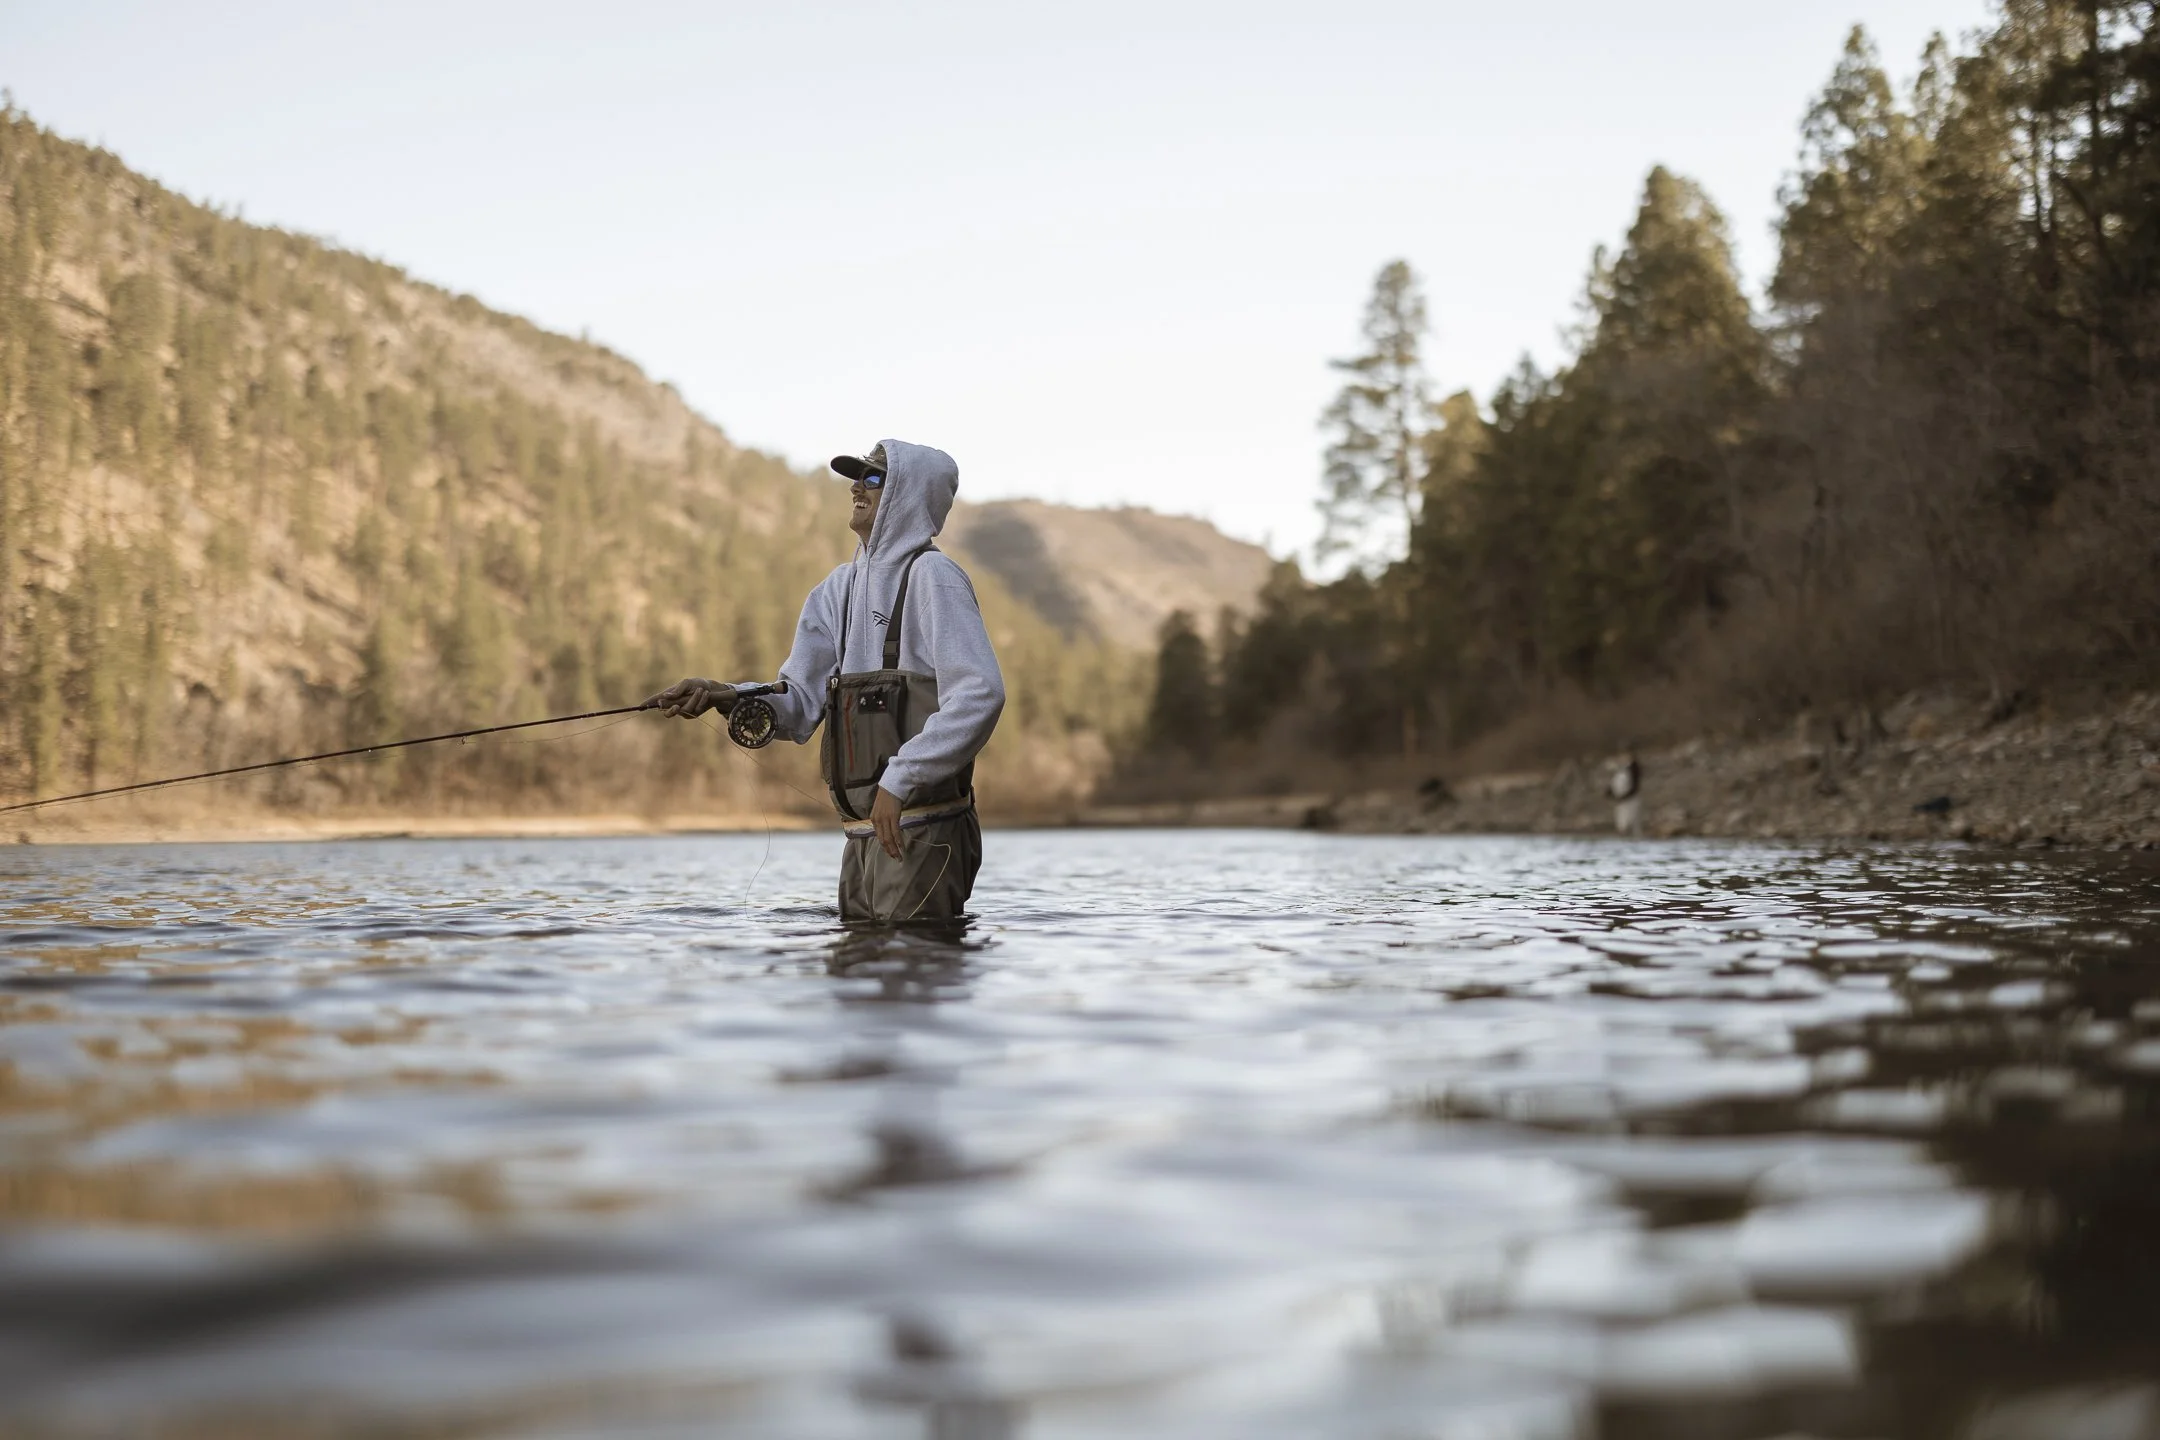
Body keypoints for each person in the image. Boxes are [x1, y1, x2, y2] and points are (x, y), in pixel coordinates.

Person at [644, 440, 1004, 922]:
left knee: (908, 980)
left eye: (873, 478)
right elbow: (797, 704)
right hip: (861, 833)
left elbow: (981, 694)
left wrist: (899, 781)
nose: (856, 486)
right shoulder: (837, 589)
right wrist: (723, 695)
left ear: (908, 494)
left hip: (924, 828)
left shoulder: (934, 578)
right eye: (856, 477)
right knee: (858, 980)